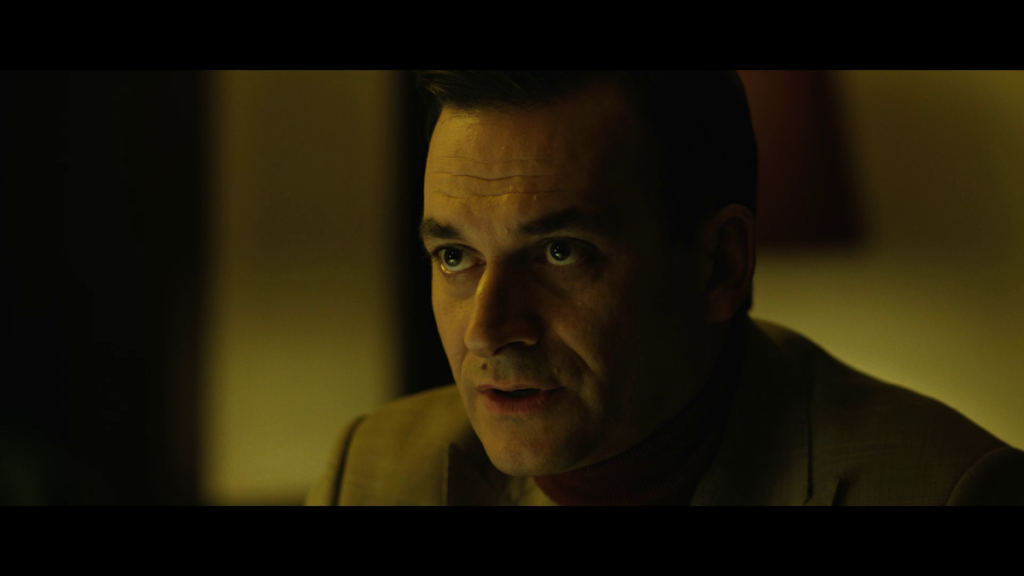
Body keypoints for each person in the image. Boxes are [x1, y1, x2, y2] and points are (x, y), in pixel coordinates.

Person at [306, 70, 1024, 505]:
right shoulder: (370, 473)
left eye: (559, 252)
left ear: (719, 265)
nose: (488, 329)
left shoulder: (953, 491)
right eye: (455, 256)